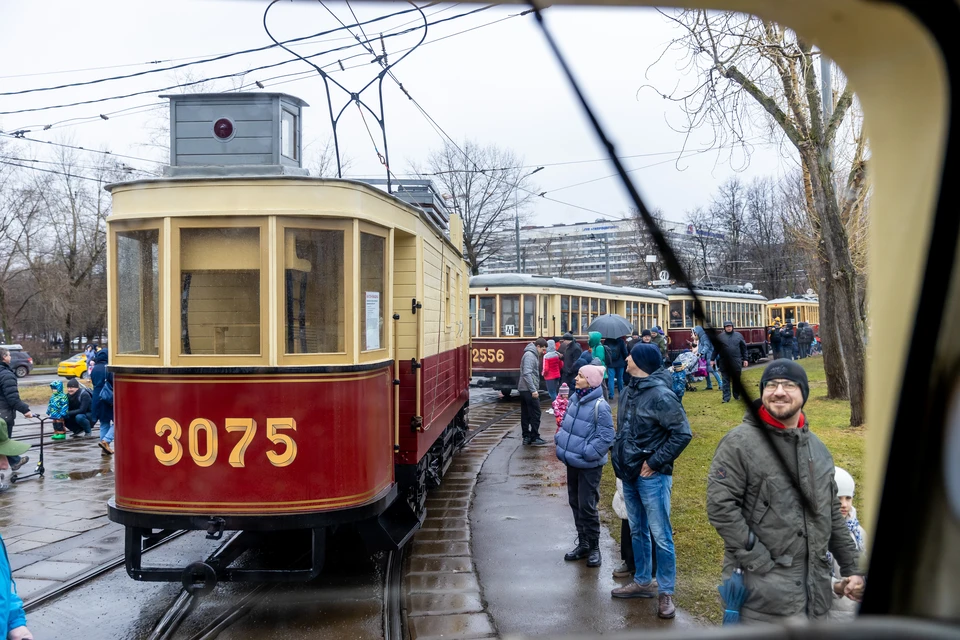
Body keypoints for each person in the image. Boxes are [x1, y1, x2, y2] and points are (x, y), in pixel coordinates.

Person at [706, 360, 864, 624]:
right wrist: (761, 563)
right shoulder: (738, 444)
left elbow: (831, 515)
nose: (779, 391)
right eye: (771, 385)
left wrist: (853, 568)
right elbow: (721, 508)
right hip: (761, 601)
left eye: (789, 385)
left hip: (815, 598)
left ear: (804, 394)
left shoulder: (819, 451)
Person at [610, 343, 692, 619]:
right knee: (637, 531)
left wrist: (655, 462)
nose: (626, 357)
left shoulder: (661, 395)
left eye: (631, 354)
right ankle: (643, 580)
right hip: (629, 473)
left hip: (651, 477)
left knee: (661, 535)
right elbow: (624, 430)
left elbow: (682, 434)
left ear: (642, 362)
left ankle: (665, 590)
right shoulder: (630, 390)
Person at [556, 364, 615, 568]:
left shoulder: (600, 405)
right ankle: (583, 543)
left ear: (590, 381)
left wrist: (587, 452)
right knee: (575, 502)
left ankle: (594, 547)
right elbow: (566, 424)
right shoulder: (575, 399)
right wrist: (560, 439)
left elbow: (607, 435)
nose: (576, 379)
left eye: (580, 376)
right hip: (573, 461)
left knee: (587, 506)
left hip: (589, 465)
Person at [829, 467, 867, 620]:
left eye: (848, 498)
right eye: (838, 498)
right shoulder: (818, 534)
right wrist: (838, 586)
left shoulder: (860, 534)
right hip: (826, 612)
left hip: (853, 612)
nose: (844, 504)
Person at [0, 348, 33, 471]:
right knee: (4, 443)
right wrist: (26, 410)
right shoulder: (6, 375)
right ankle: (15, 461)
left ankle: (15, 461)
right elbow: (12, 398)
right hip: (3, 416)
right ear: (4, 357)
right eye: (9, 355)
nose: (11, 357)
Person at [518, 338, 548, 446]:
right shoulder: (530, 356)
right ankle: (534, 436)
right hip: (528, 390)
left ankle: (526, 437)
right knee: (536, 413)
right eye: (543, 349)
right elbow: (527, 373)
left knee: (526, 414)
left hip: (524, 389)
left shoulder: (530, 354)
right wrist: (533, 390)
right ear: (538, 347)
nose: (543, 352)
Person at [712, 320, 749, 403]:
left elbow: (744, 348)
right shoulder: (720, 337)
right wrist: (712, 359)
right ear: (724, 328)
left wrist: (745, 359)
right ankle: (726, 398)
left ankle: (737, 395)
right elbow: (716, 349)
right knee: (725, 380)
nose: (729, 328)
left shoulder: (739, 336)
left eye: (730, 326)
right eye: (727, 326)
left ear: (732, 327)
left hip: (736, 361)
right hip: (724, 362)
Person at [91, 349, 115, 454]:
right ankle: (106, 440)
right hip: (107, 397)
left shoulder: (94, 368)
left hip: (97, 398)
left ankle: (104, 449)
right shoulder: (108, 368)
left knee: (104, 423)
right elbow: (113, 382)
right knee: (119, 422)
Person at [693, 325, 722, 391]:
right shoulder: (702, 337)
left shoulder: (704, 337)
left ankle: (721, 385)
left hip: (709, 356)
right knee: (706, 372)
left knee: (713, 370)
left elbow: (707, 346)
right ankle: (709, 385)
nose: (694, 334)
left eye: (695, 332)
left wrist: (701, 353)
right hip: (705, 357)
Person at [542, 339, 563, 409]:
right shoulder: (557, 354)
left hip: (549, 377)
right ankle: (557, 406)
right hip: (557, 375)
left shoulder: (546, 356)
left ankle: (556, 407)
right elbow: (561, 365)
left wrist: (543, 374)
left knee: (551, 393)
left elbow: (546, 368)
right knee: (555, 391)